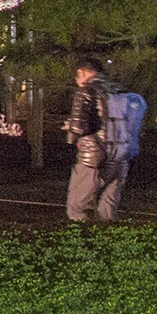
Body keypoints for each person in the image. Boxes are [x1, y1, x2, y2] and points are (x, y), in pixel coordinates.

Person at [62, 56, 125, 222]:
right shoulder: (118, 90)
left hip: (93, 156)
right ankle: (107, 242)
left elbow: (78, 128)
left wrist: (70, 129)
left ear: (81, 72)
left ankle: (81, 243)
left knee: (78, 207)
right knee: (107, 209)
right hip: (121, 155)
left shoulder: (86, 91)